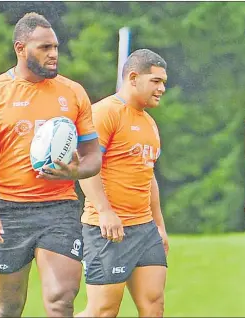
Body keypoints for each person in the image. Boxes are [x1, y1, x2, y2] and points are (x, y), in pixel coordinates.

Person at [0, 12, 102, 317]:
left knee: (61, 299)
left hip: (59, 207)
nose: (53, 54)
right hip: (8, 210)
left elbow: (94, 156)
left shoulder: (73, 92)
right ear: (20, 48)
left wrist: (76, 171)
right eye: (44, 48)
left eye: (55, 47)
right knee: (9, 307)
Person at [76, 49, 169, 317]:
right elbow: (87, 169)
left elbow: (148, 175)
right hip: (106, 230)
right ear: (133, 77)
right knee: (103, 311)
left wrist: (159, 226)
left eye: (164, 82)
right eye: (156, 81)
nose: (162, 88)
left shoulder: (150, 123)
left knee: (154, 307)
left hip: (144, 229)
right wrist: (105, 212)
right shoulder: (104, 113)